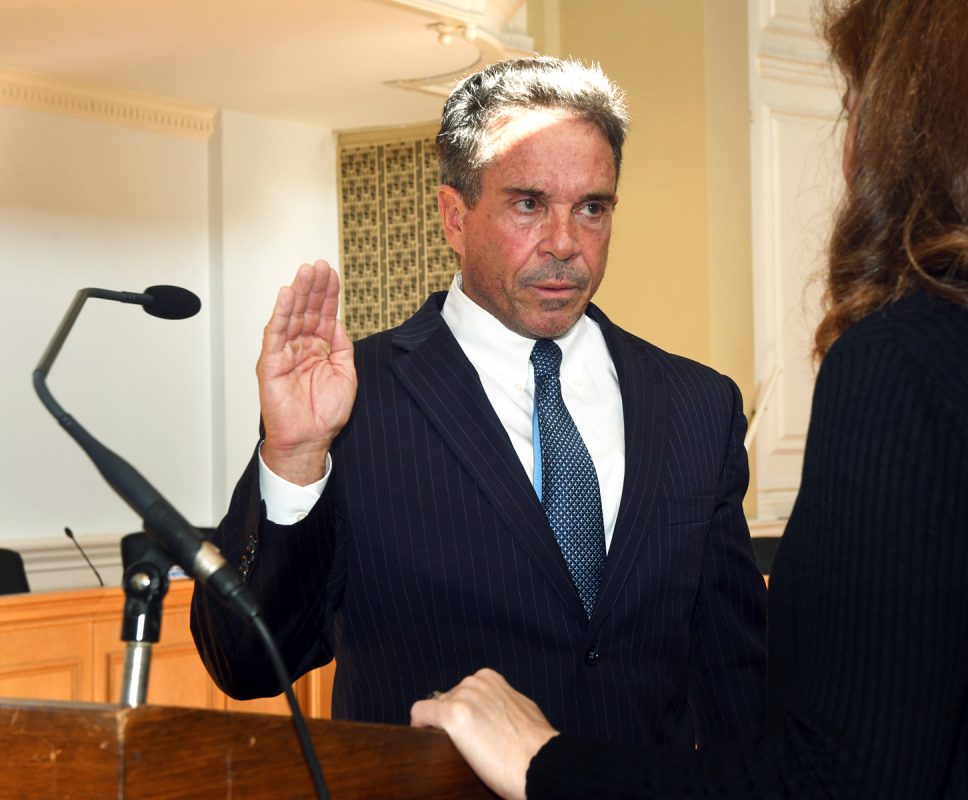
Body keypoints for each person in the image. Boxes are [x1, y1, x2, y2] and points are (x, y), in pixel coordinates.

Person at [409, 1, 968, 797]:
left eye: (857, 105)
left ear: (919, 135)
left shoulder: (910, 370)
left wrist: (546, 764)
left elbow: (831, 776)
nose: (849, 147)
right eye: (525, 203)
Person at [190, 56, 767, 750]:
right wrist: (293, 457)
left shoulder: (698, 405)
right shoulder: (352, 402)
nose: (564, 243)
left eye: (592, 207)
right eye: (528, 203)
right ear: (453, 216)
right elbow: (249, 664)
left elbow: (740, 683)